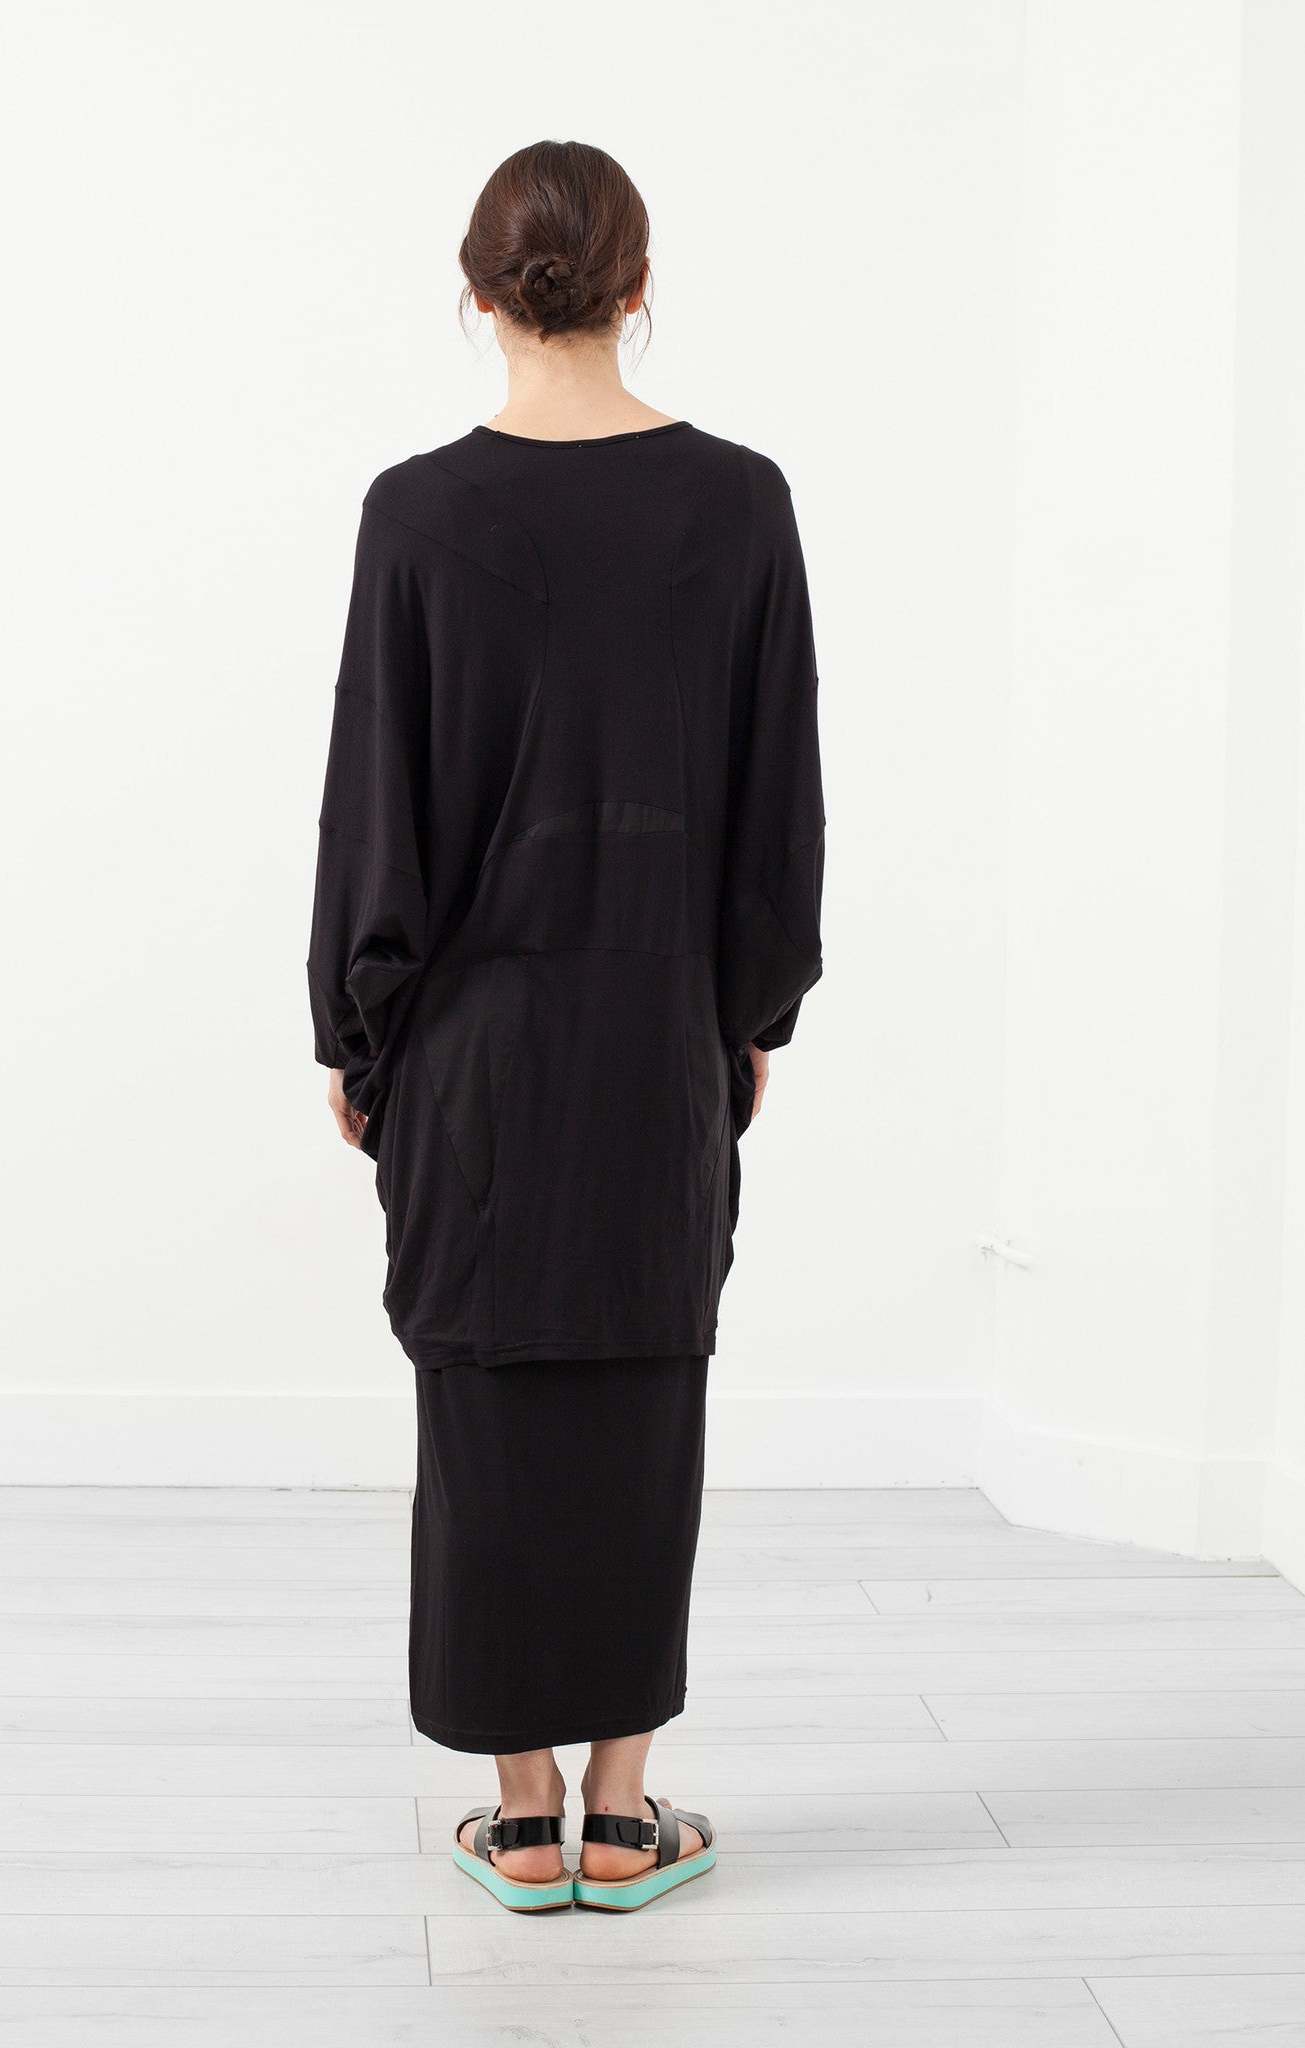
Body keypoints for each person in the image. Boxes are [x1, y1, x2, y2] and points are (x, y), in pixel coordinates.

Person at [307, 139, 824, 1912]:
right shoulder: (738, 503)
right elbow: (776, 797)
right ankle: (620, 1807)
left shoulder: (417, 513)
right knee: (639, 1405)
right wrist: (747, 1013)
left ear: (476, 292)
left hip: (470, 1048)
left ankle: (520, 1816)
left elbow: (374, 801)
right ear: (639, 283)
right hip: (653, 1029)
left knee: (487, 1411)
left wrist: (356, 1032)